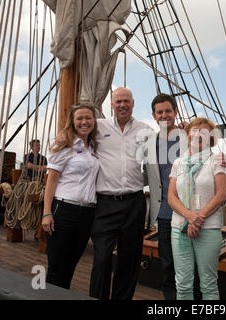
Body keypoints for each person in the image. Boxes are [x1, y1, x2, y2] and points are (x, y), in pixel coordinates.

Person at [89, 87, 152, 300]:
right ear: (112, 105)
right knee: (102, 258)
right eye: (118, 101)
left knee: (129, 260)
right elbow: (76, 136)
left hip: (134, 202)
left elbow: (163, 152)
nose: (122, 105)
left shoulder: (146, 130)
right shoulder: (98, 127)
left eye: (126, 101)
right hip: (105, 203)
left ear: (133, 104)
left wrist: (183, 130)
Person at [168, 117, 226, 300]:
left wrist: (198, 218)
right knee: (183, 284)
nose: (198, 135)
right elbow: (171, 196)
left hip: (208, 228)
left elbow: (221, 195)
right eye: (194, 131)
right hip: (179, 228)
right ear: (187, 136)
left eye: (203, 132)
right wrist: (189, 216)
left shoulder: (217, 160)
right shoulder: (179, 163)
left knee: (208, 284)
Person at [42, 103, 99, 290]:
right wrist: (46, 212)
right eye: (79, 118)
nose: (84, 122)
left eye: (88, 118)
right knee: (56, 267)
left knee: (70, 266)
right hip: (63, 209)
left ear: (94, 121)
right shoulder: (64, 144)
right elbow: (51, 180)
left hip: (86, 214)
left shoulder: (93, 147)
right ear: (72, 122)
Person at [143, 93, 187, 300]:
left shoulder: (190, 136)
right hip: (164, 214)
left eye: (168, 111)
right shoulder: (149, 143)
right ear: (154, 115)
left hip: (188, 212)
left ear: (175, 112)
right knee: (168, 265)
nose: (164, 115)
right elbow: (143, 173)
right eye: (159, 112)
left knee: (189, 265)